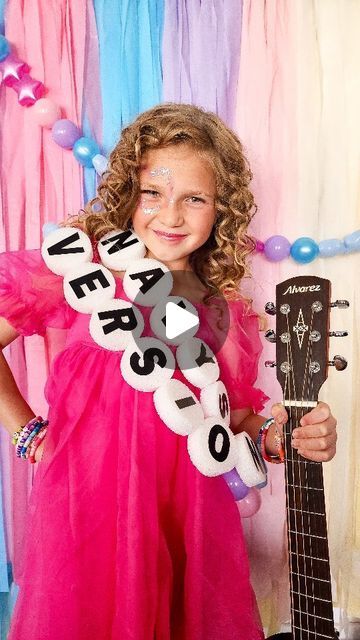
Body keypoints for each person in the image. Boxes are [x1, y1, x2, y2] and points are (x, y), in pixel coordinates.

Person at [0, 103, 337, 640]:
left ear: (220, 209)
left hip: (189, 524)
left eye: (194, 199)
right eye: (152, 193)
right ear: (126, 196)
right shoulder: (82, 273)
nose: (171, 216)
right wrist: (27, 432)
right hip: (87, 519)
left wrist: (286, 436)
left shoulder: (228, 314)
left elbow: (237, 423)